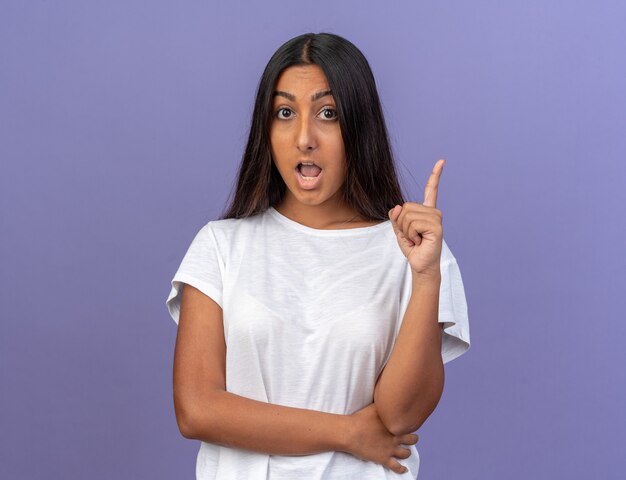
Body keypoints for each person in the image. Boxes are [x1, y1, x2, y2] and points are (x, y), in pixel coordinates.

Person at [165, 32, 470, 479]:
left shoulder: (415, 252)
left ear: (359, 127)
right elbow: (197, 410)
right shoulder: (220, 246)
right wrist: (347, 432)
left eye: (328, 113)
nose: (304, 137)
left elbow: (401, 416)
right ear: (266, 130)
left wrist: (425, 278)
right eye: (285, 113)